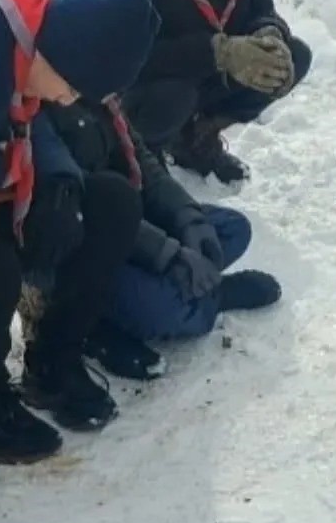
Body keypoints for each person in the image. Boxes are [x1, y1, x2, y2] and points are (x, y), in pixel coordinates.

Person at [0, 0, 157, 464]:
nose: (66, 100)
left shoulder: (31, 32)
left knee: (110, 203)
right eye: (73, 86)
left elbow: (31, 123)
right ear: (60, 56)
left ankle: (53, 360)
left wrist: (59, 183)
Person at [37, 92, 281, 381]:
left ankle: (188, 288)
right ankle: (209, 298)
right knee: (157, 307)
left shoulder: (101, 97)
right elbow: (92, 207)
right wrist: (168, 254)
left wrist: (187, 217)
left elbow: (143, 164)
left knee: (233, 227)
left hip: (135, 220)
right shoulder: (42, 109)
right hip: (87, 247)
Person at [101, 0, 311, 183]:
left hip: (214, 70)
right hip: (150, 85)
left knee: (294, 56)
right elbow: (123, 58)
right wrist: (217, 52)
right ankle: (144, 155)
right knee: (174, 97)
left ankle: (199, 137)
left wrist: (270, 34)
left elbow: (261, 7)